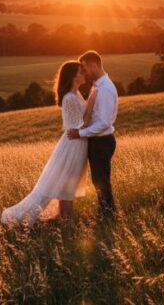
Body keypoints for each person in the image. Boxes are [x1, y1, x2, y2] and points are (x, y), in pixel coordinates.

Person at [1, 61, 97, 226]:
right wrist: (93, 99)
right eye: (81, 72)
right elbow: (81, 126)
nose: (84, 74)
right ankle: (66, 223)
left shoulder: (77, 94)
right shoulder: (69, 98)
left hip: (78, 144)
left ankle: (65, 221)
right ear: (73, 76)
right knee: (65, 186)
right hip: (72, 146)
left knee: (67, 185)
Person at [67, 50, 119, 220]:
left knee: (101, 182)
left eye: (85, 68)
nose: (84, 73)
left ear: (94, 65)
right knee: (99, 181)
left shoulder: (104, 89)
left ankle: (108, 217)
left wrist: (80, 133)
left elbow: (103, 122)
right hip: (98, 141)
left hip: (102, 141)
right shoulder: (99, 86)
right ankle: (106, 214)